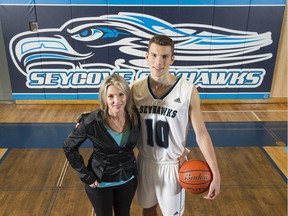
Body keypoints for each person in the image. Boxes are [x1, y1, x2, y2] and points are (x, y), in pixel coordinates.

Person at [131, 35, 221, 216]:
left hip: (172, 165)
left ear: (172, 59)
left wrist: (216, 172)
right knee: (147, 209)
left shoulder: (187, 90)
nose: (159, 62)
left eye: (165, 56)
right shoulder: (136, 88)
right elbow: (118, 119)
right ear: (147, 56)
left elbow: (201, 134)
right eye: (154, 55)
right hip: (145, 161)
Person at [63, 74, 140, 216]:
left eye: (121, 94)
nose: (117, 101)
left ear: (127, 95)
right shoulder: (91, 122)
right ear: (104, 98)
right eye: (111, 96)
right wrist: (86, 176)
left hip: (128, 180)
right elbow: (69, 147)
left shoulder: (135, 117)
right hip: (100, 183)